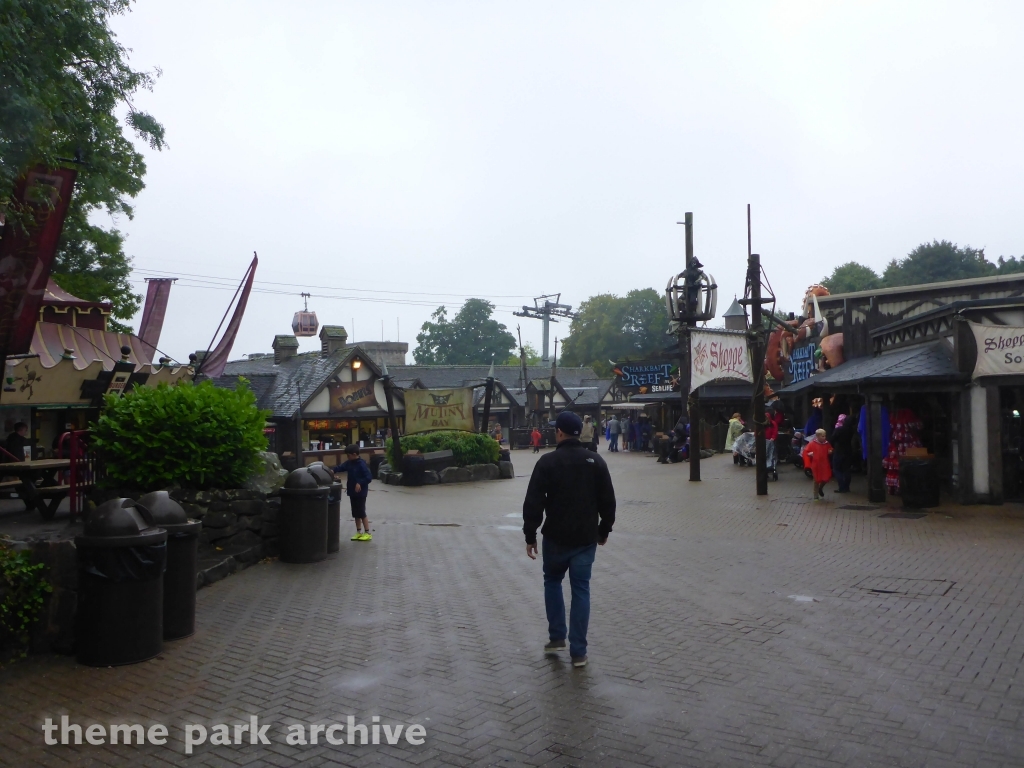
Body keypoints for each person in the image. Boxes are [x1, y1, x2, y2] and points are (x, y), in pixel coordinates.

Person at [523, 411, 616, 669]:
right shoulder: (595, 461)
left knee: (552, 582)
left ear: (560, 433)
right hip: (585, 538)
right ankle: (579, 652)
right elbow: (608, 501)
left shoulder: (546, 463)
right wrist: (604, 530)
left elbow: (533, 502)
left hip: (555, 537)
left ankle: (556, 637)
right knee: (581, 589)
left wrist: (530, 534)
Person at [334, 445, 374, 541]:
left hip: (361, 493)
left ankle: (367, 532)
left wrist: (360, 483)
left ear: (354, 454)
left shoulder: (361, 464)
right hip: (352, 492)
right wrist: (332, 471)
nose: (347, 457)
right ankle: (359, 532)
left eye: (348, 455)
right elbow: (341, 467)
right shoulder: (349, 463)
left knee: (361, 512)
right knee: (355, 512)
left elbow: (368, 477)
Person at [803, 428, 833, 501]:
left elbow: (830, 448)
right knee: (816, 480)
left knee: (826, 478)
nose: (824, 438)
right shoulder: (812, 444)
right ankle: (815, 495)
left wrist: (830, 451)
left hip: (824, 464)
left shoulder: (826, 443)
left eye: (824, 436)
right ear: (818, 436)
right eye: (822, 436)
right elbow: (806, 451)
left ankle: (821, 488)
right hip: (816, 464)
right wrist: (810, 454)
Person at [831, 413, 855, 493]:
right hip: (848, 451)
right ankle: (847, 487)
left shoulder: (838, 429)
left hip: (839, 451)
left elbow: (833, 439)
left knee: (837, 469)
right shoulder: (851, 429)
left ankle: (841, 487)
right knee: (846, 470)